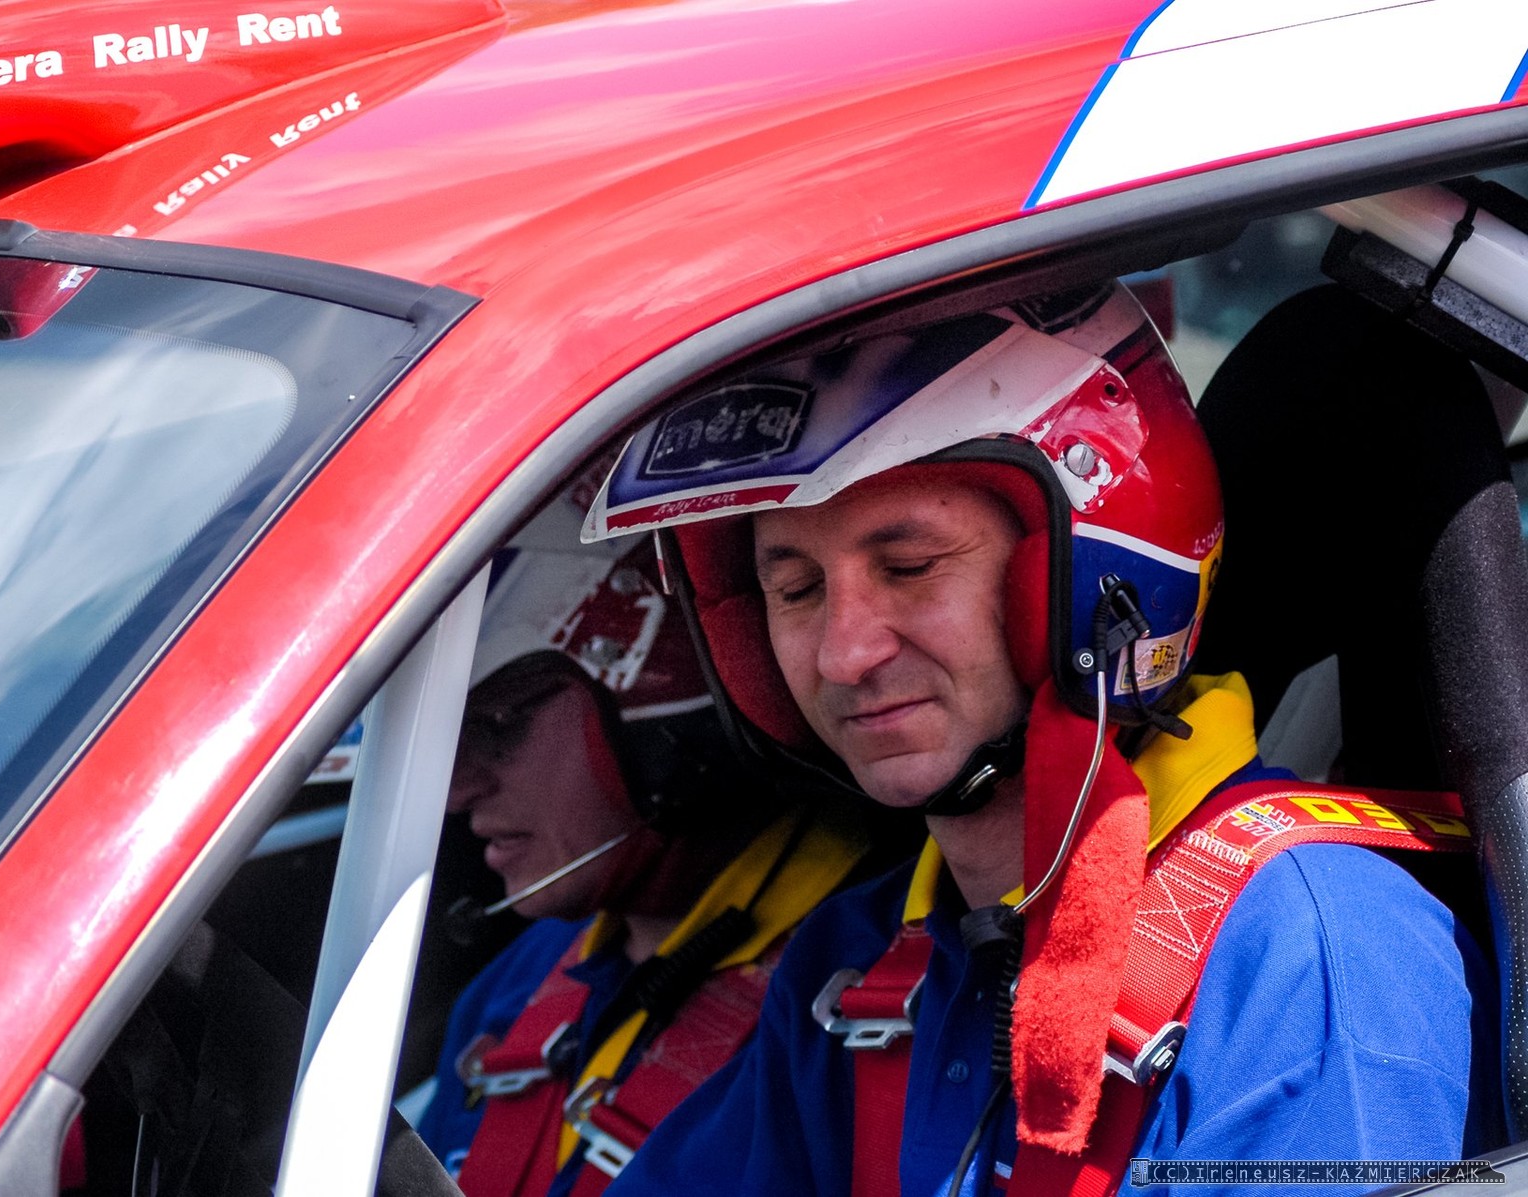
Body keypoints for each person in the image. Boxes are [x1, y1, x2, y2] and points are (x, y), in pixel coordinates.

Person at [579, 282, 1500, 1196]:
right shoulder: (852, 965)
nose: (844, 653)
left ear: (1092, 576)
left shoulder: (1313, 962)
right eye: (796, 590)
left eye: (910, 567)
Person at [415, 493, 874, 1197]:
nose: (456, 790)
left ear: (663, 710)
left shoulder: (866, 995)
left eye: (497, 726)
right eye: (449, 739)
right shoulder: (512, 989)